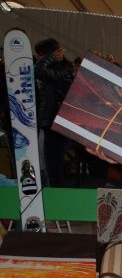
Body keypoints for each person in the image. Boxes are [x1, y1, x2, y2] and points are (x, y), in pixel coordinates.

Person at [35, 38, 75, 186]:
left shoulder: (63, 71)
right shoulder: (60, 70)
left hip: (56, 124)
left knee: (53, 168)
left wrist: (49, 58)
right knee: (51, 166)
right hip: (54, 123)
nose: (38, 58)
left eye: (40, 54)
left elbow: (38, 71)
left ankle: (57, 197)